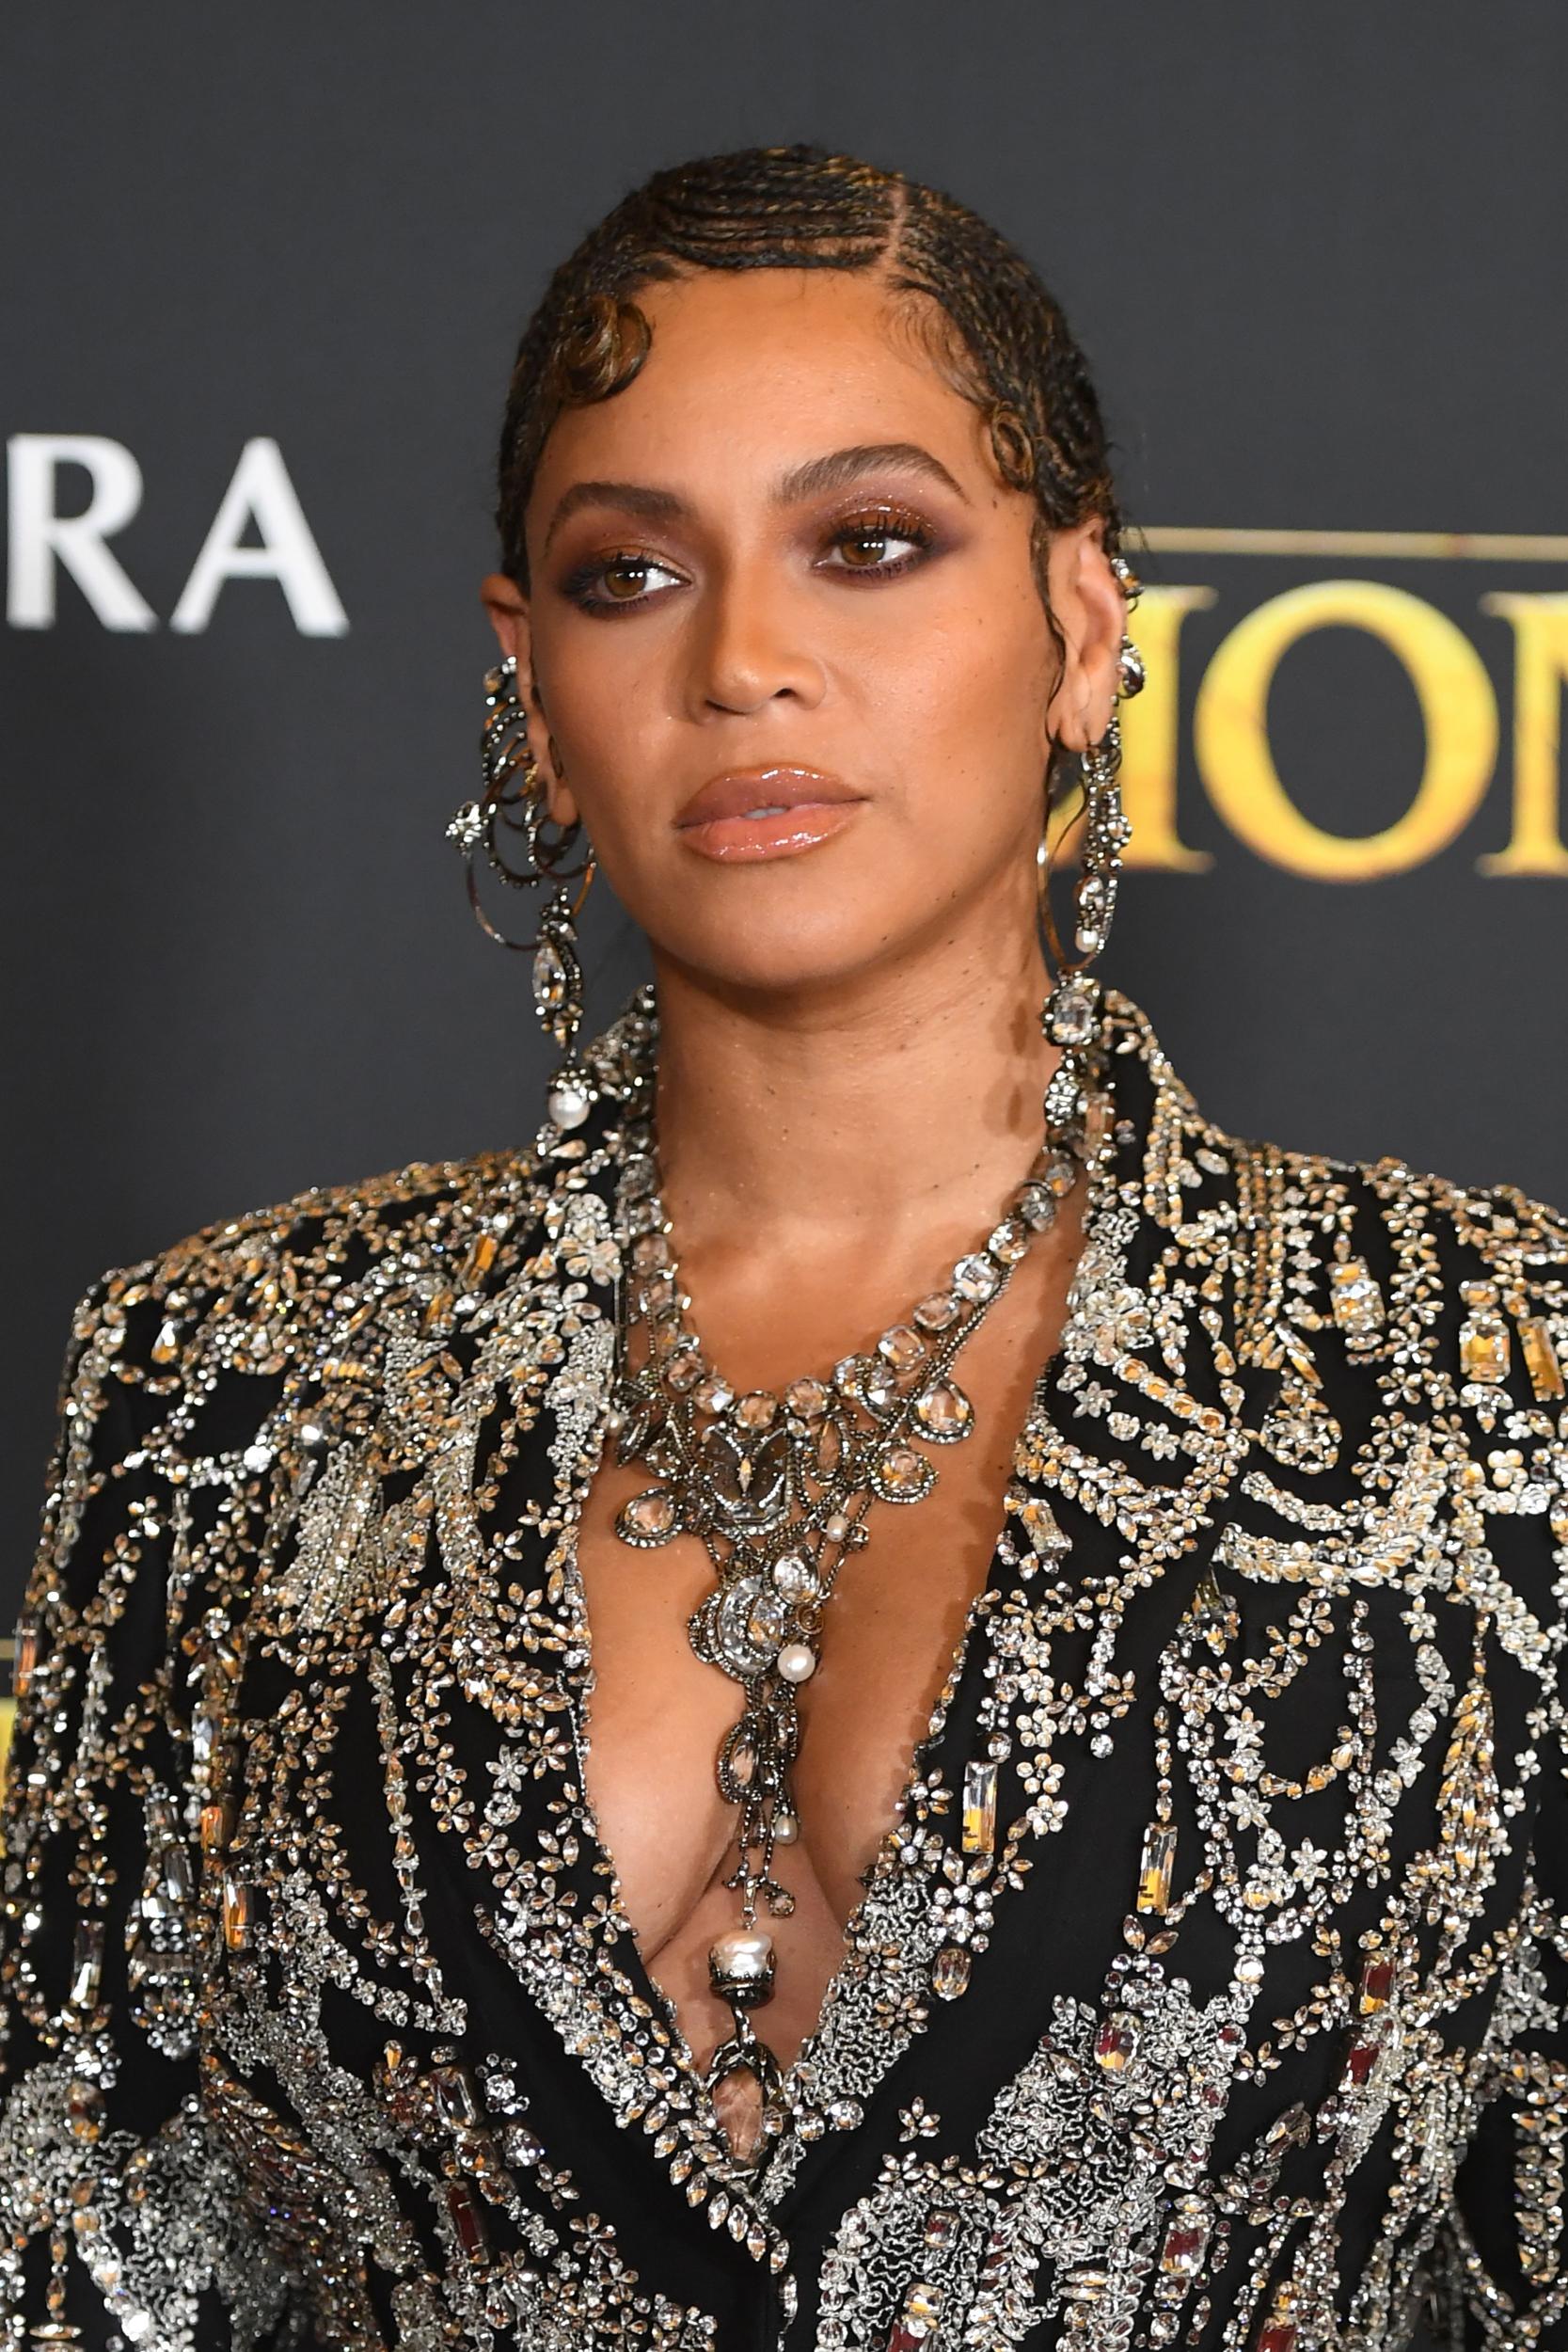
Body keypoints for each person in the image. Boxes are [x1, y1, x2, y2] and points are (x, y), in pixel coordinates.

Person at [1, 141, 1564, 2352]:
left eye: (870, 544)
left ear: (1085, 627)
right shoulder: (222, 1386)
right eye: (631, 575)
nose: (746, 661)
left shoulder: (1482, 1381)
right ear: (530, 687)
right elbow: (75, 2251)